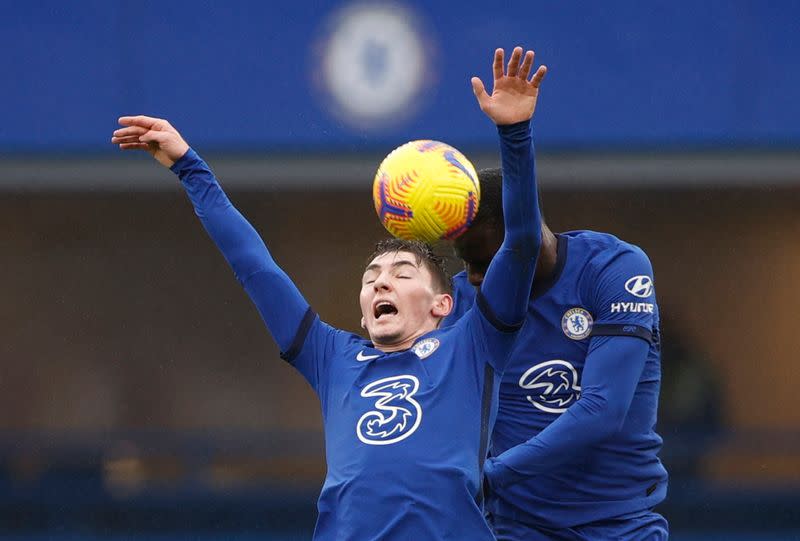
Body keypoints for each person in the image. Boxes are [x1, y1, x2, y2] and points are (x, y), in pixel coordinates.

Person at [111, 47, 545, 540]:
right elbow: (256, 266)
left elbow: (524, 242)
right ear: (363, 313)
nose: (381, 281)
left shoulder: (474, 345)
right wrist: (191, 169)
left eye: (403, 272)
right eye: (371, 277)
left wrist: (515, 133)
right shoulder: (332, 356)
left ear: (442, 305)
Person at [443, 170, 670, 539]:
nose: (473, 277)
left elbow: (603, 410)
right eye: (465, 262)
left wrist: (491, 476)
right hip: (517, 527)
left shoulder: (612, 268)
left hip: (618, 524)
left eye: (484, 262)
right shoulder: (463, 301)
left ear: (525, 236)